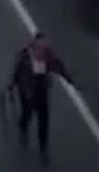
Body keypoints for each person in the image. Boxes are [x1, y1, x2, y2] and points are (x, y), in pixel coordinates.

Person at [6, 32, 72, 163]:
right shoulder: (34, 53)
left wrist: (11, 85)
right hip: (31, 92)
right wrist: (11, 85)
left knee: (36, 118)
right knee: (35, 117)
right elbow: (60, 68)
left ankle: (37, 142)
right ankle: (35, 141)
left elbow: (59, 67)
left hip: (34, 91)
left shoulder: (38, 53)